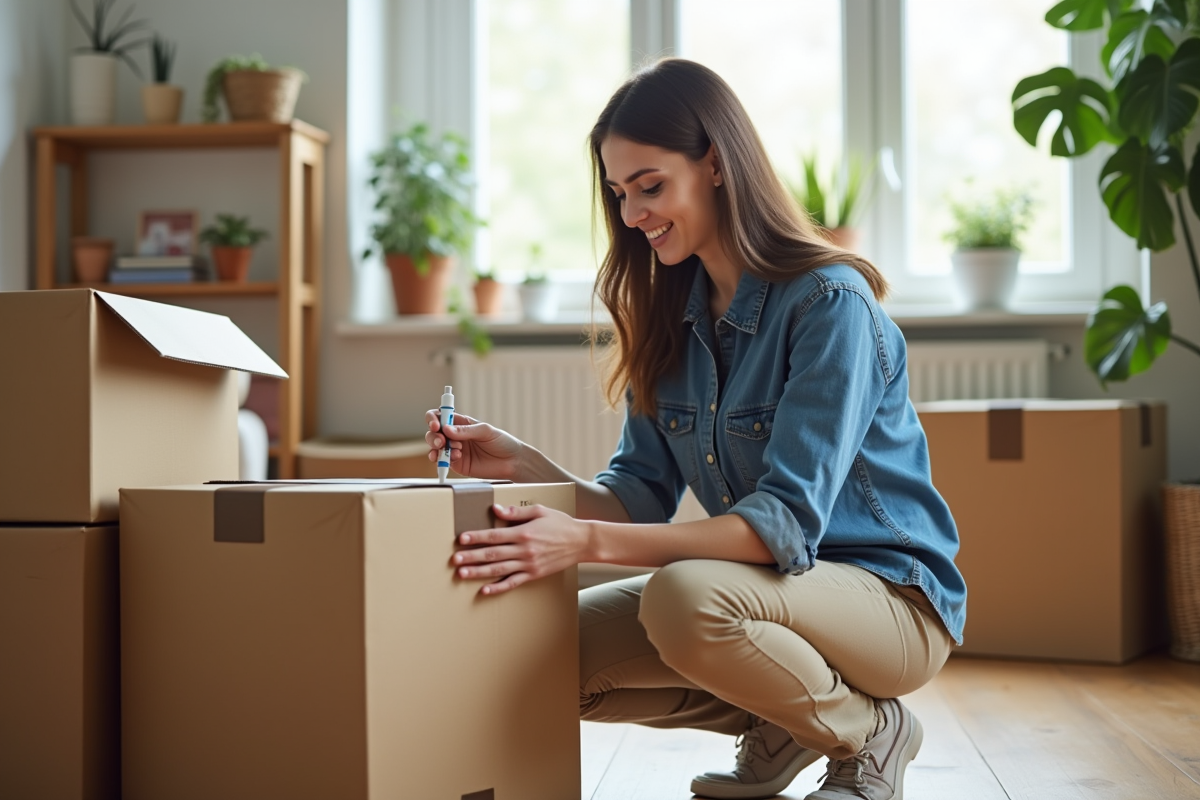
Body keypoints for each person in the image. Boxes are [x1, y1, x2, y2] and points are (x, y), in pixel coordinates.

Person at [426, 58, 965, 800]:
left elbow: (780, 528)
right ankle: (789, 720)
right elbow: (636, 497)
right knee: (528, 653)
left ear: (715, 164)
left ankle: (868, 732)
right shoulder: (670, 319)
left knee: (683, 598)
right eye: (619, 193)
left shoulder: (829, 305)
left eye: (650, 186)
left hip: (891, 603)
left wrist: (583, 543)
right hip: (766, 597)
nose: (631, 215)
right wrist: (524, 466)